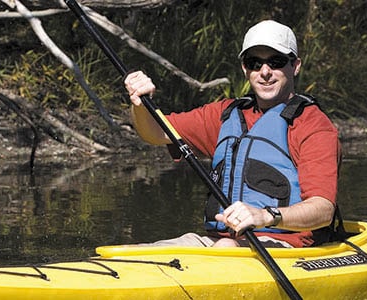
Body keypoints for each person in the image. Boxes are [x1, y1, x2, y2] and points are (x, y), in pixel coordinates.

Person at [124, 20, 341, 248]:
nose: (264, 72)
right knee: (129, 254)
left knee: (225, 248)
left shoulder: (314, 125)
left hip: (288, 247)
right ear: (245, 69)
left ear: (295, 66)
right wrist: (140, 102)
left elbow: (323, 210)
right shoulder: (226, 115)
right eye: (254, 63)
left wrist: (266, 216)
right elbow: (156, 132)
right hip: (222, 240)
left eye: (276, 62)